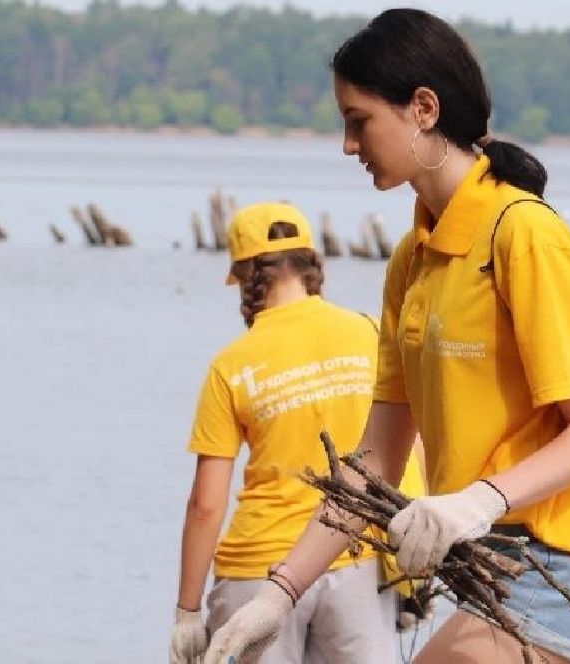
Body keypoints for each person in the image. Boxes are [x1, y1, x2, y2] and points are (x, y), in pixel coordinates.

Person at [205, 8, 570, 664]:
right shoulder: (411, 260)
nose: (348, 146)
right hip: (486, 572)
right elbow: (372, 463)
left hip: (566, 566)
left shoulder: (523, 234)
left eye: (358, 121)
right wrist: (279, 595)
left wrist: (475, 503)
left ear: (422, 108)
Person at [171, 202, 401, 664]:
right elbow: (404, 451)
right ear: (311, 265)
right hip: (353, 557)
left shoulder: (232, 364)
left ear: (244, 276)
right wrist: (407, 569)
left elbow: (206, 505)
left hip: (256, 572)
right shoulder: (369, 333)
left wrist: (188, 612)